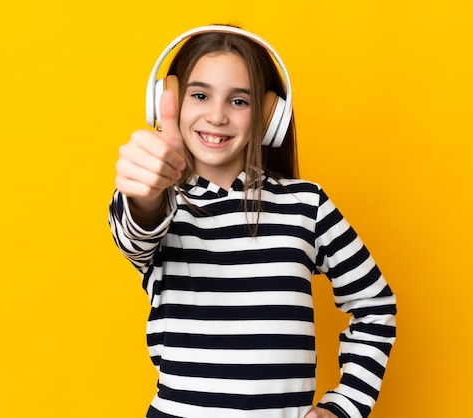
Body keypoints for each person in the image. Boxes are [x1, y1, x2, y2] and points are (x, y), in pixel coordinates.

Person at [108, 24, 397, 418]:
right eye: (199, 95)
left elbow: (374, 303)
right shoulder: (161, 202)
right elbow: (137, 231)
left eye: (239, 101)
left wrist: (343, 408)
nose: (216, 115)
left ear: (269, 114)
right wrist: (145, 192)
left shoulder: (307, 205)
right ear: (167, 101)